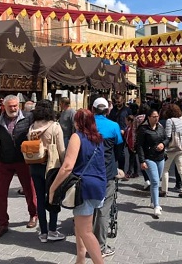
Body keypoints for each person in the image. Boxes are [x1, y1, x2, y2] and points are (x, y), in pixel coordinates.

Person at [49, 109, 106, 264]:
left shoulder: (77, 136)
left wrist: (53, 188)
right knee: (80, 224)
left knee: (86, 231)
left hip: (84, 188)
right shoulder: (98, 138)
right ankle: (80, 258)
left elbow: (67, 166)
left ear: (77, 122)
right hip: (99, 186)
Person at [0, 94, 37, 239]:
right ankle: (2, 223)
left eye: (15, 105)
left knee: (29, 189)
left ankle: (34, 215)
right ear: (4, 106)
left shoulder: (29, 117)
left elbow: (39, 129)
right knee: (1, 193)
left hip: (24, 160)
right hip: (5, 161)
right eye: (10, 106)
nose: (14, 108)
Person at [28, 100, 66, 243]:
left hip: (35, 166)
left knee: (39, 197)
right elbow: (61, 149)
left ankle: (43, 232)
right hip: (51, 167)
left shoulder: (32, 127)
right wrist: (64, 165)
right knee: (53, 197)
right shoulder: (55, 126)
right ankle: (52, 230)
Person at [92, 97, 123, 258]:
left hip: (88, 173)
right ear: (107, 110)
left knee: (88, 208)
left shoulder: (85, 126)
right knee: (103, 210)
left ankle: (86, 242)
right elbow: (119, 149)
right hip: (107, 172)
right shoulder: (113, 126)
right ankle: (100, 246)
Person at [136, 108, 169, 217]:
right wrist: (141, 161)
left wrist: (163, 144)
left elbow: (167, 138)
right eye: (154, 117)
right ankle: (156, 206)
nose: (156, 118)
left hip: (160, 157)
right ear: (148, 117)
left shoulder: (160, 127)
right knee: (155, 181)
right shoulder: (143, 129)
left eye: (157, 116)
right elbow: (139, 145)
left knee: (157, 180)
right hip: (149, 158)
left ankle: (152, 201)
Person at [160, 104, 182, 198]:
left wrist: (163, 146)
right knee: (181, 169)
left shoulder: (169, 121)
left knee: (165, 169)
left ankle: (164, 190)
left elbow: (168, 136)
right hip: (180, 148)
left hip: (171, 148)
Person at [108, 94, 132, 173]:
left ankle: (121, 170)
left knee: (121, 152)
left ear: (123, 101)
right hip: (113, 134)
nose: (117, 103)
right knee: (114, 152)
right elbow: (110, 121)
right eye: (116, 102)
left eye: (119, 102)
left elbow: (131, 122)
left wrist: (125, 130)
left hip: (123, 134)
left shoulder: (127, 110)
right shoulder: (113, 110)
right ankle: (113, 169)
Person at [131, 103, 152, 190]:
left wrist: (133, 143)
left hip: (140, 142)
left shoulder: (137, 118)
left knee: (142, 161)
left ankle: (147, 179)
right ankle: (151, 177)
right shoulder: (150, 117)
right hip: (150, 141)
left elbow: (134, 131)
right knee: (150, 160)